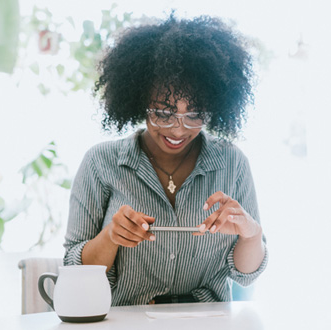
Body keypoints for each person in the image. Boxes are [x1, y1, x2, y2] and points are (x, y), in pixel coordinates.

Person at [63, 15, 268, 306]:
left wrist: (250, 233)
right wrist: (111, 236)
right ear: (137, 100)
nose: (178, 129)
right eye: (162, 112)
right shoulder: (101, 163)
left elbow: (246, 274)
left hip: (209, 323)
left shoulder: (232, 162)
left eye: (194, 114)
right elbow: (74, 271)